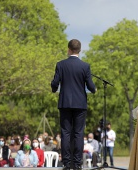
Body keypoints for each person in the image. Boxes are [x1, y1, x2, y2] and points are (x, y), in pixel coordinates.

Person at [51, 39, 96, 170]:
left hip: (65, 103)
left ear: (68, 49)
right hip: (80, 104)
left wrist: (54, 89)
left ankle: (66, 163)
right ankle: (77, 164)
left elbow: (55, 83)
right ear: (79, 50)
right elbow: (90, 85)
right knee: (78, 133)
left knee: (65, 133)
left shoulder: (60, 65)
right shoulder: (85, 66)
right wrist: (94, 90)